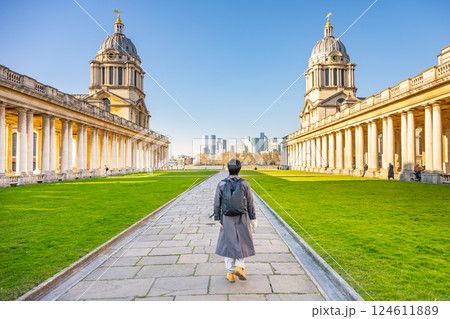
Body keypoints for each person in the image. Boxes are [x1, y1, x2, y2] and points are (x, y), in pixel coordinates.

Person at [213, 159, 257, 283]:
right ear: (239, 169)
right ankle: (239, 266)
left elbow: (217, 202)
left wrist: (217, 218)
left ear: (228, 168)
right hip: (242, 217)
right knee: (242, 242)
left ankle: (231, 273)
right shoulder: (245, 184)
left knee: (228, 243)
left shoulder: (221, 184)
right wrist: (253, 218)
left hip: (226, 217)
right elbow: (250, 202)